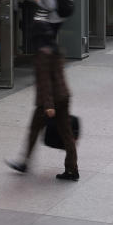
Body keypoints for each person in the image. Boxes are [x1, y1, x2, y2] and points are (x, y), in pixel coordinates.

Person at [6, 13, 79, 181]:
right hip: (64, 96)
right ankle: (72, 169)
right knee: (67, 134)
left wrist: (48, 105)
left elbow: (45, 82)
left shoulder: (42, 54)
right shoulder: (56, 49)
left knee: (33, 130)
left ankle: (24, 162)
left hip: (49, 101)